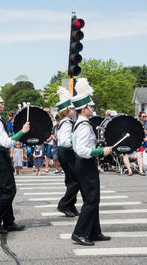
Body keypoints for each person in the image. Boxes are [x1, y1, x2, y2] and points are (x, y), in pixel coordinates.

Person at [0, 79, 30, 234]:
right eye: (1, 102)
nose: (3, 104)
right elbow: (6, 142)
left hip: (1, 157)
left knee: (5, 191)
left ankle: (9, 222)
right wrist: (22, 131)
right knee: (9, 190)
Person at [71, 78, 112, 246]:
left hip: (85, 164)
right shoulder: (82, 126)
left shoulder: (84, 123)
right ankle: (79, 233)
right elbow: (81, 150)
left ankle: (94, 231)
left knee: (94, 198)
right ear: (84, 108)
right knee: (91, 200)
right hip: (84, 163)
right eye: (91, 106)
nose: (93, 109)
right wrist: (101, 151)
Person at [55, 86, 80, 217]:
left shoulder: (66, 122)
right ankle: (64, 204)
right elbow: (64, 141)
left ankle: (71, 205)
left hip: (66, 153)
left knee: (71, 180)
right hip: (66, 152)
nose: (73, 110)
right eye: (70, 109)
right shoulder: (66, 123)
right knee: (76, 180)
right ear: (65, 111)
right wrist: (76, 141)